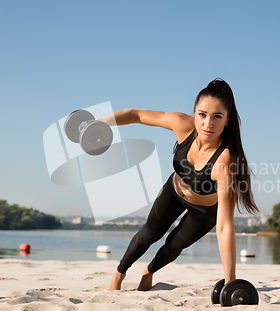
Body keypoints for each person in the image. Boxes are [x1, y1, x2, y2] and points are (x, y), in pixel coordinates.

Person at [100, 78, 259, 291]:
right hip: (174, 192)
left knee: (174, 246)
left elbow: (224, 227)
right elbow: (135, 114)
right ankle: (119, 274)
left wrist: (230, 283)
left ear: (227, 120)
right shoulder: (182, 124)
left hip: (204, 212)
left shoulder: (224, 163)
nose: (208, 124)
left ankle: (149, 272)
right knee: (149, 234)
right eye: (202, 115)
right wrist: (100, 123)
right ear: (195, 113)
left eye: (217, 117)